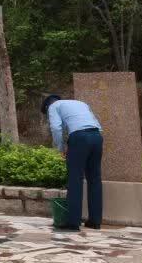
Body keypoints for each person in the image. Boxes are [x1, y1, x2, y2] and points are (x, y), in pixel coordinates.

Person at [42, 94, 103, 231]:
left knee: (75, 179)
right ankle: (95, 221)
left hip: (79, 137)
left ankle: (73, 222)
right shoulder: (80, 103)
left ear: (47, 106)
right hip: (97, 136)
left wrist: (60, 148)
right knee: (95, 179)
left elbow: (56, 128)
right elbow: (96, 123)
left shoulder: (53, 106)